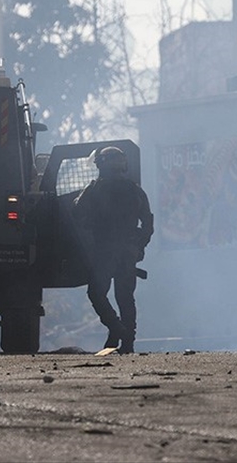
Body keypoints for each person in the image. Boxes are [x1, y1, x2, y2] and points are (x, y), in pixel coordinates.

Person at [73, 146, 154, 354]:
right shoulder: (135, 190)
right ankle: (127, 343)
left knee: (96, 293)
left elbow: (77, 211)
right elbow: (148, 223)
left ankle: (117, 329)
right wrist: (139, 246)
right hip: (127, 252)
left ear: (102, 165)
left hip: (105, 251)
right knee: (125, 297)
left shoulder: (95, 189)